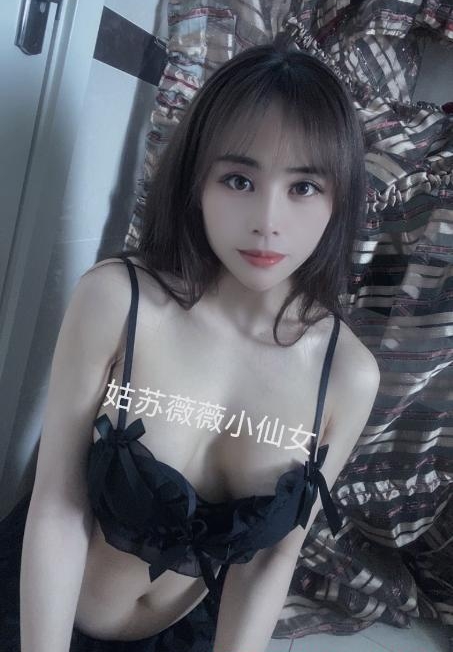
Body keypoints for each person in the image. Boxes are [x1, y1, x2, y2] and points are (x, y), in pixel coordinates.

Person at [8, 41, 380, 652]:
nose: (267, 220)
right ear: (197, 182)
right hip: (40, 617)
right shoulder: (117, 301)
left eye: (303, 187)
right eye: (239, 179)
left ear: (339, 198)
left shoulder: (347, 376)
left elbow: (272, 561)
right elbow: (57, 505)